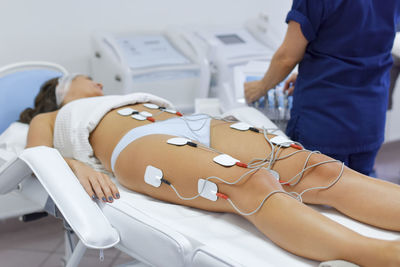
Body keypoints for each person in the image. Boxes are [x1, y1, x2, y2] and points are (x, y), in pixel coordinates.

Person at [20, 74, 400, 266]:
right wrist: (72, 165)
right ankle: (381, 255)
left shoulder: (127, 95)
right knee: (248, 182)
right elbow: (37, 156)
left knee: (317, 168)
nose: (98, 81)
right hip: (136, 144)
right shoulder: (53, 116)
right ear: (62, 89)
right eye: (87, 78)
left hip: (199, 124)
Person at [244, 0, 400, 176]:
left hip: (325, 123)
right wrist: (314, 70)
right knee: (361, 190)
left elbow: (287, 57)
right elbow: (362, 40)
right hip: (369, 119)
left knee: (313, 194)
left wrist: (259, 88)